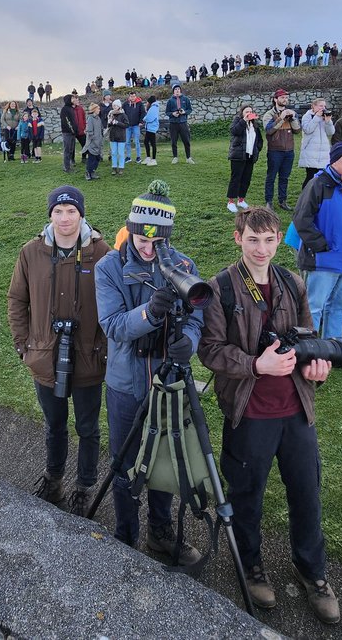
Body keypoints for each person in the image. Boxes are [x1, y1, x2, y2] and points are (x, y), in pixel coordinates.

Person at [198, 206, 340, 621]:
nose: (262, 249)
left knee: (306, 493)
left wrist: (317, 365)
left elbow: (308, 336)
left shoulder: (292, 282)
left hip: (296, 409)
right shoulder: (221, 287)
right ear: (237, 237)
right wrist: (256, 365)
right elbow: (210, 350)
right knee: (247, 495)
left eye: (270, 239)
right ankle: (251, 565)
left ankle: (312, 571)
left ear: (281, 240)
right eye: (253, 239)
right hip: (249, 411)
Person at [94, 180, 203, 564]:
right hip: (125, 384)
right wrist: (150, 313)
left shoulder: (183, 266)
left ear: (168, 236)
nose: (147, 246)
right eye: (141, 236)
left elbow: (197, 316)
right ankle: (126, 535)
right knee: (123, 463)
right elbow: (112, 327)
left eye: (157, 240)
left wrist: (188, 340)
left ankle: (160, 533)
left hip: (167, 382)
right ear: (131, 227)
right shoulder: (108, 267)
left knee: (165, 463)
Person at [8, 186, 111, 514]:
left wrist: (105, 350)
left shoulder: (102, 253)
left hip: (88, 359)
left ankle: (84, 484)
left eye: (71, 211)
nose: (65, 218)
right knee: (54, 424)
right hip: (45, 358)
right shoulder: (31, 252)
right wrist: (24, 345)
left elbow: (116, 305)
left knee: (87, 427)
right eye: (58, 211)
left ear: (81, 214)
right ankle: (54, 479)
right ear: (50, 214)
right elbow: (16, 300)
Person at [292, 142, 342, 339]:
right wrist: (320, 245)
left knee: (339, 306)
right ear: (335, 161)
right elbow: (301, 219)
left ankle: (334, 345)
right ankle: (309, 347)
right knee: (314, 306)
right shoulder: (318, 184)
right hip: (324, 260)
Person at [263, 89, 301, 210]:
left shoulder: (291, 112)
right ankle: (269, 202)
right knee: (271, 176)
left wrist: (293, 118)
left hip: (289, 151)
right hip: (275, 150)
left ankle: (282, 201)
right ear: (275, 99)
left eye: (286, 98)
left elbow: (297, 130)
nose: (285, 100)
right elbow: (269, 130)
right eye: (282, 98)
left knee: (284, 177)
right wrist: (280, 118)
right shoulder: (269, 114)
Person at [226, 103, 263, 212]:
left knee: (246, 179)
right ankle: (231, 202)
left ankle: (241, 200)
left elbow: (259, 140)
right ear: (242, 113)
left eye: (250, 112)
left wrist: (257, 149)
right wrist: (244, 120)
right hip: (238, 155)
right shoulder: (238, 121)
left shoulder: (254, 125)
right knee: (235, 178)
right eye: (246, 111)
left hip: (250, 156)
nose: (249, 114)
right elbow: (234, 131)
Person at [299, 97, 335, 188]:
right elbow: (308, 129)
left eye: (324, 106)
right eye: (320, 106)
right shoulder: (307, 116)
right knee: (310, 177)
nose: (323, 108)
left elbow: (331, 132)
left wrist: (328, 122)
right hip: (311, 151)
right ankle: (305, 196)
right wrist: (317, 117)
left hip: (323, 152)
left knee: (322, 177)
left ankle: (318, 198)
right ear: (313, 106)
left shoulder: (324, 116)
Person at [164, 82, 195, 164]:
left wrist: (184, 112)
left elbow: (190, 110)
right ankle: (175, 157)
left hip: (183, 123)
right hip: (173, 124)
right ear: (173, 91)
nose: (177, 91)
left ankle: (188, 158)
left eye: (178, 89)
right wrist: (172, 114)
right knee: (174, 141)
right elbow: (167, 112)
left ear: (180, 90)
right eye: (175, 89)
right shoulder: (170, 101)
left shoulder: (186, 99)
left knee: (186, 141)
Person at [106, 99, 129, 175]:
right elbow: (109, 126)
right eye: (113, 105)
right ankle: (114, 168)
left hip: (121, 137)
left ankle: (121, 168)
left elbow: (126, 125)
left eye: (116, 105)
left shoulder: (123, 115)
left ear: (119, 106)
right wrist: (109, 123)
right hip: (113, 136)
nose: (114, 107)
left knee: (121, 153)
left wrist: (117, 123)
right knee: (114, 153)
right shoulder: (111, 114)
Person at [83, 102, 104, 181]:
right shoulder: (90, 118)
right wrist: (94, 139)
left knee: (97, 159)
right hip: (92, 143)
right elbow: (89, 132)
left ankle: (93, 172)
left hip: (98, 143)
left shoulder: (98, 118)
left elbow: (101, 129)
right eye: (98, 108)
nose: (99, 110)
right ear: (94, 110)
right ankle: (88, 173)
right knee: (91, 159)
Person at [124, 92, 145, 165]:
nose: (132, 98)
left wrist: (141, 121)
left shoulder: (139, 103)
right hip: (128, 126)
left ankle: (138, 157)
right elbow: (122, 113)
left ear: (135, 96)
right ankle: (128, 157)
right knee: (127, 142)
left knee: (136, 141)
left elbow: (143, 113)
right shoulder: (125, 104)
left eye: (133, 96)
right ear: (129, 97)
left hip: (136, 125)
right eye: (131, 96)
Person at [142, 93, 159, 165]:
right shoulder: (154, 107)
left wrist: (144, 119)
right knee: (146, 142)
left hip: (152, 128)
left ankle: (154, 159)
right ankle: (148, 157)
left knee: (152, 143)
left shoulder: (153, 107)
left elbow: (150, 118)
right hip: (150, 127)